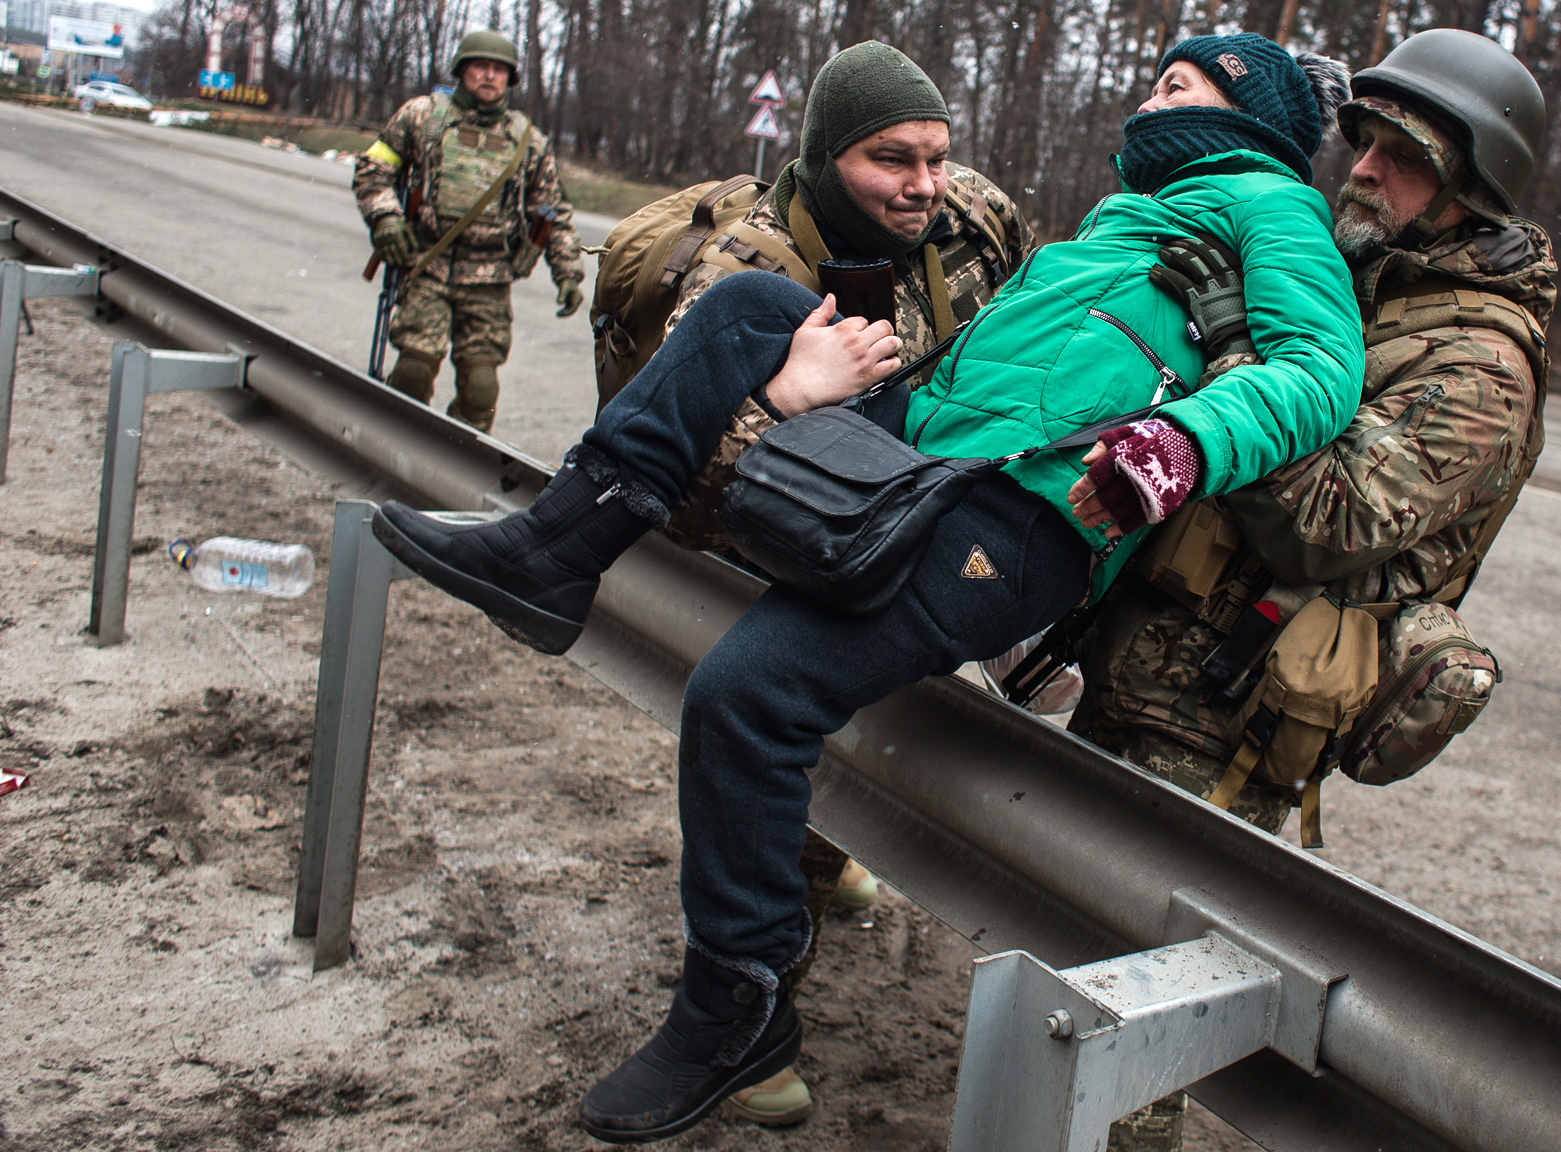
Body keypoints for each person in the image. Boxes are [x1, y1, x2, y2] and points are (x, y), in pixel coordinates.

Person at [370, 32, 1360, 1144]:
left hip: (1024, 513)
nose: (1147, 101)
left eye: (1175, 86)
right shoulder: (1133, 216)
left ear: (1248, 116)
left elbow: (1319, 370)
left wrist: (1173, 447)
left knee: (747, 694)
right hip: (933, 460)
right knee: (746, 308)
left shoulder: (1269, 204)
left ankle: (733, 1010)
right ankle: (554, 552)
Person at [1069, 32, 1555, 1148]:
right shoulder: (1348, 274)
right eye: (1365, 142)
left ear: (1470, 195)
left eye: (1404, 157)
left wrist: (1241, 347)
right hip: (1142, 659)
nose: (1364, 170)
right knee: (1069, 954)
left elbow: (1330, 524)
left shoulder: (1478, 367)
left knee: (1134, 1015)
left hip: (1227, 714)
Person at [641, 41, 1033, 1129]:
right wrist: (790, 403)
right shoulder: (751, 267)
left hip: (923, 525)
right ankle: (751, 1034)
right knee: (762, 723)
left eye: (936, 157)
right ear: (822, 159)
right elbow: (688, 466)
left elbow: (1044, 320)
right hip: (789, 537)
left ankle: (822, 852)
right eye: (887, 160)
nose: (920, 186)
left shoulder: (974, 220)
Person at [354, 29, 585, 433]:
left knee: (480, 389)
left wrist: (567, 274)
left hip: (490, 278)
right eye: (480, 66)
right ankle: (396, 451)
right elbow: (374, 169)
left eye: (499, 70)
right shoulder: (422, 117)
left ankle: (456, 467)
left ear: (509, 79)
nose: (489, 76)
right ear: (462, 70)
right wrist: (386, 218)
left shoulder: (528, 141)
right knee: (412, 373)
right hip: (427, 264)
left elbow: (554, 213)